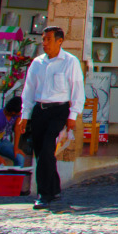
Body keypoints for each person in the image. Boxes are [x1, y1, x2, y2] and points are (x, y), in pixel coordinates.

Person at [18, 27, 85, 210]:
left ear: (59, 41)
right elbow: (29, 89)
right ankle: (54, 187)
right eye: (43, 39)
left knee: (48, 147)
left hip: (59, 110)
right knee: (41, 153)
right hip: (40, 110)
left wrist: (73, 115)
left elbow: (78, 90)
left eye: (48, 39)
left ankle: (44, 193)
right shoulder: (37, 63)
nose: (44, 43)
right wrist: (25, 115)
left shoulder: (70, 62)